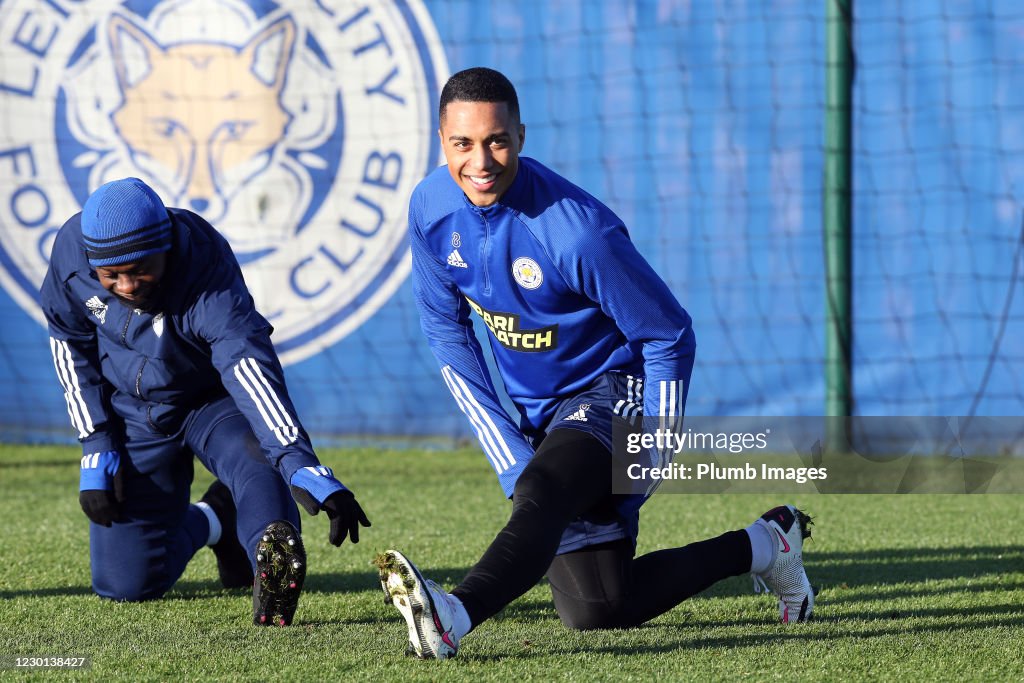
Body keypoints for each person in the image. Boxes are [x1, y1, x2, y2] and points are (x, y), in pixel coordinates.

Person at [376, 67, 816, 659]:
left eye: (497, 141)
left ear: (522, 136)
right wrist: (505, 445)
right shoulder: (430, 208)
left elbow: (668, 335)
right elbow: (444, 328)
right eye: (463, 144)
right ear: (441, 140)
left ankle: (452, 614)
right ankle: (767, 545)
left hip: (617, 392)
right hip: (547, 416)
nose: (481, 161)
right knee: (598, 607)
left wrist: (655, 447)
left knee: (544, 488)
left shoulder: (578, 233)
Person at [41, 177, 370, 626]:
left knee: (260, 462)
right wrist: (96, 443)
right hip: (134, 414)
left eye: (139, 269)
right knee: (125, 586)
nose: (126, 285)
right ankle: (216, 515)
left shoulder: (206, 272)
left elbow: (246, 365)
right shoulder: (71, 255)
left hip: (213, 403)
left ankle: (267, 574)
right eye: (110, 275)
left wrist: (299, 462)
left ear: (166, 248)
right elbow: (68, 343)